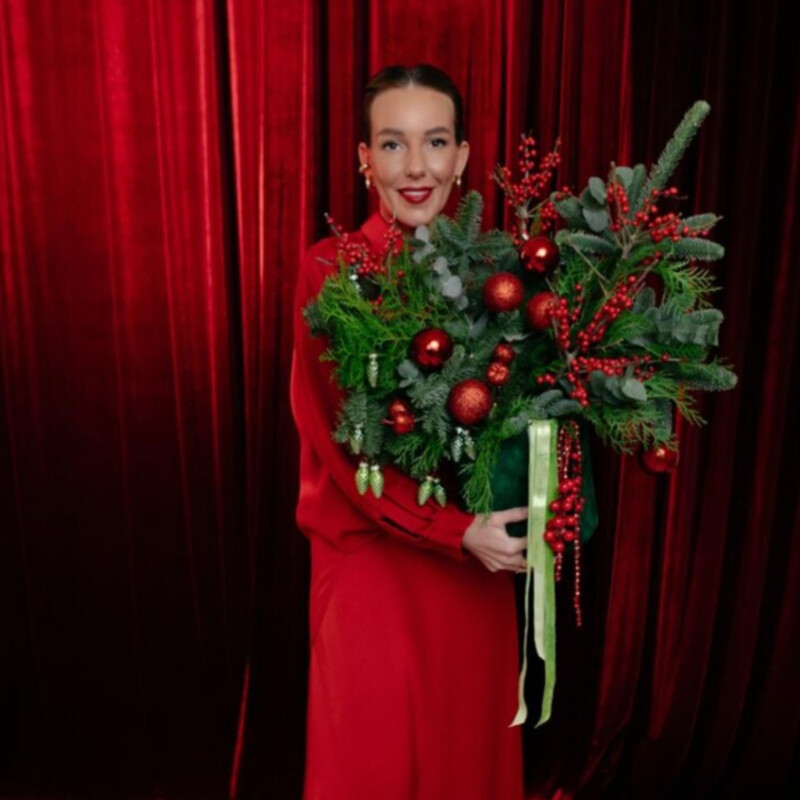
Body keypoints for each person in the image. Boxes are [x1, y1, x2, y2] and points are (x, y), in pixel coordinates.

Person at [290, 63, 529, 800]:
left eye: (436, 141)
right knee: (373, 767)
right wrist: (455, 532)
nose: (417, 167)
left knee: (467, 768)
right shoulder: (330, 271)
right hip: (375, 567)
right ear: (365, 158)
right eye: (393, 144)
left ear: (462, 156)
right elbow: (342, 452)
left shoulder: (499, 274)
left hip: (478, 572)